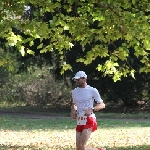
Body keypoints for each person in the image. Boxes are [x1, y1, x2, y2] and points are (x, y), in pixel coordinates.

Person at [71, 71, 105, 150]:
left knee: (81, 143)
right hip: (80, 119)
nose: (77, 81)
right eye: (76, 80)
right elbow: (74, 104)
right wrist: (73, 111)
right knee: (79, 147)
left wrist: (92, 109)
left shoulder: (92, 90)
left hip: (89, 119)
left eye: (78, 79)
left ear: (84, 78)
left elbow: (102, 105)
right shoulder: (74, 91)